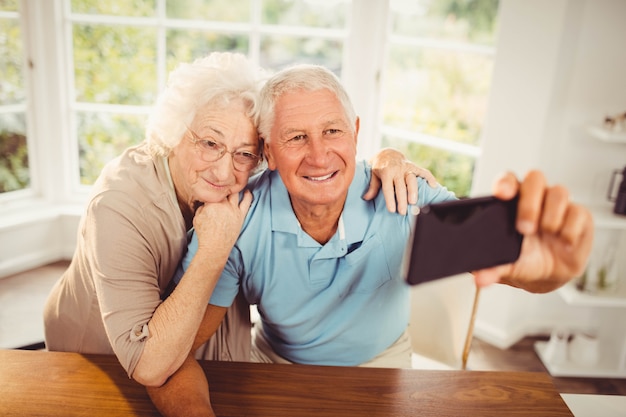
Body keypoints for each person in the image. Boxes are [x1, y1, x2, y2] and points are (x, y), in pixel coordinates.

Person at [148, 63, 594, 416]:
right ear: (267, 149)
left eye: (333, 130)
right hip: (279, 369)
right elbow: (176, 350)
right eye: (296, 137)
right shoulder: (238, 218)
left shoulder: (405, 194)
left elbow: (508, 262)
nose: (319, 154)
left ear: (357, 132)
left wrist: (541, 268)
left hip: (383, 367)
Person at [42, 53, 429, 389]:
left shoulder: (243, 199)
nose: (224, 170)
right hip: (98, 355)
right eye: (210, 143)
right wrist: (213, 248)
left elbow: (319, 154)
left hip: (187, 347)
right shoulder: (118, 204)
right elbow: (150, 365)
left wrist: (385, 159)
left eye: (244, 153)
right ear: (174, 133)